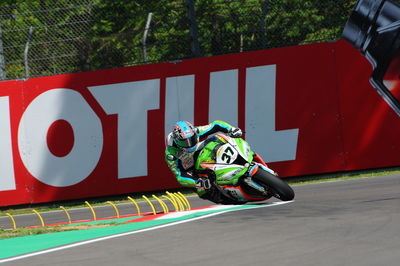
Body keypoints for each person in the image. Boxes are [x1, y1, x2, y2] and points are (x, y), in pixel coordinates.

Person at [164, 120, 243, 204]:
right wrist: (197, 181)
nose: (189, 144)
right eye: (184, 142)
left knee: (217, 139)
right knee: (208, 193)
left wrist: (231, 129)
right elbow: (180, 176)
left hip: (200, 150)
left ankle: (238, 161)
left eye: (192, 139)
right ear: (177, 141)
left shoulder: (196, 131)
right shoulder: (170, 153)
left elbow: (216, 124)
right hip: (192, 168)